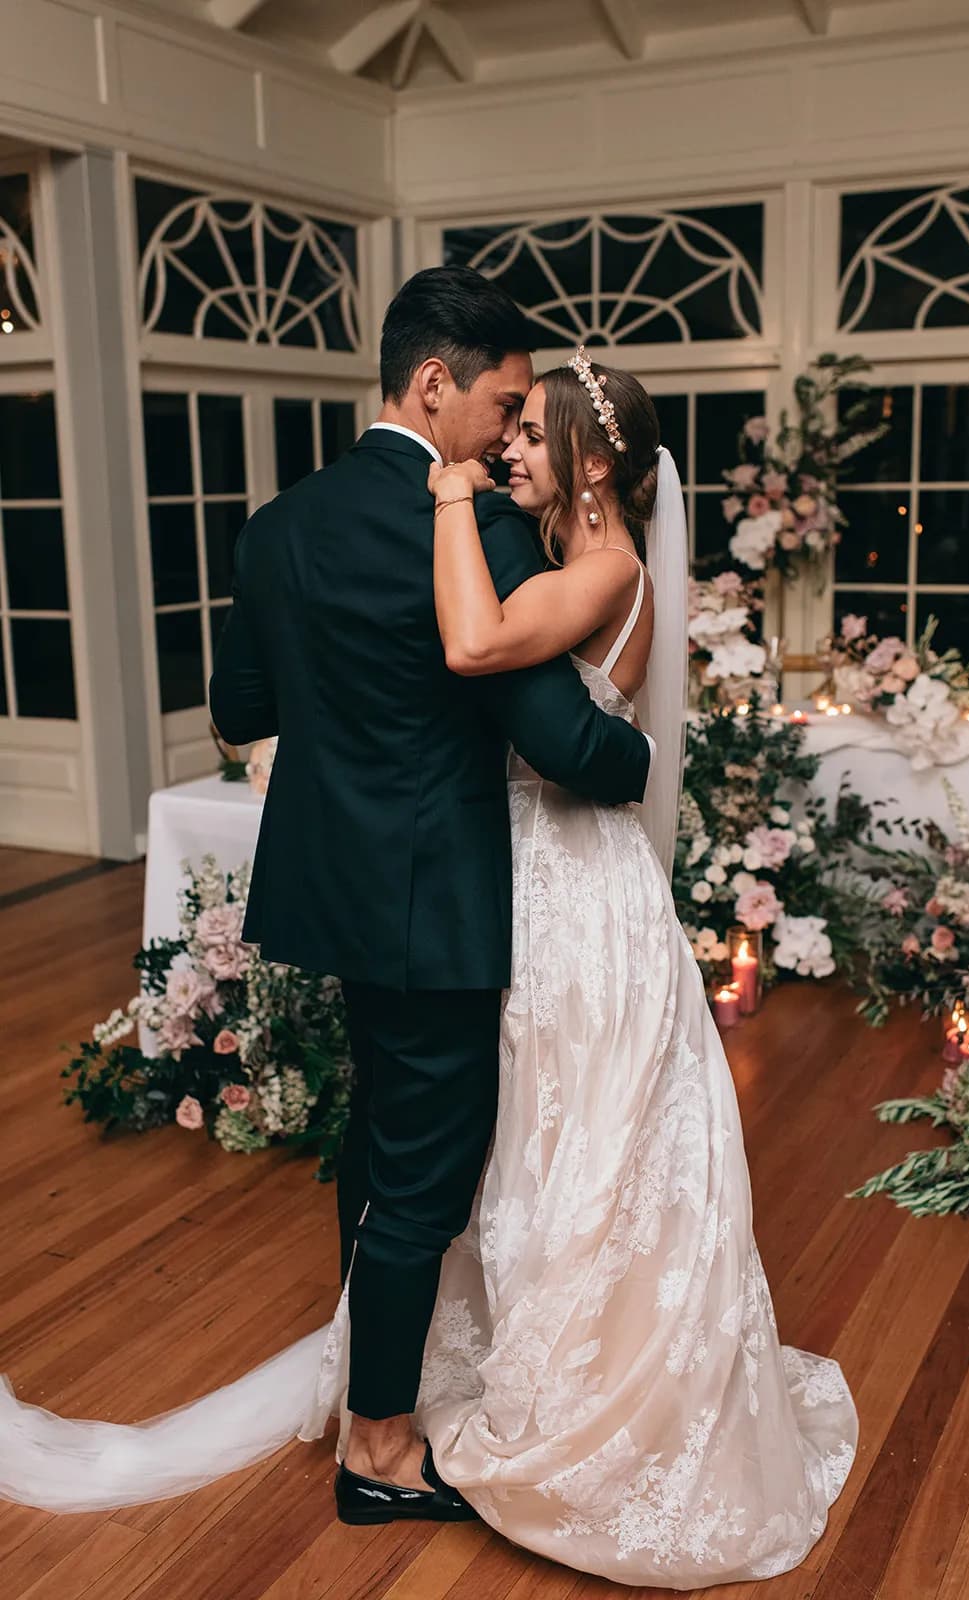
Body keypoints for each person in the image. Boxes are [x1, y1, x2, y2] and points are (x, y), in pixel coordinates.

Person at [0, 273, 651, 1521]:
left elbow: (243, 708)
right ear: (432, 385)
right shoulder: (474, 531)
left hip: (338, 894)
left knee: (378, 1137)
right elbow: (561, 738)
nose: (510, 432)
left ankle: (372, 1358)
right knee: (427, 1168)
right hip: (439, 899)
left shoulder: (278, 525)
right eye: (504, 402)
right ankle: (381, 1450)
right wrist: (637, 758)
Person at [347, 350, 855, 1585]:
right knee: (543, 1134)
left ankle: (584, 1406)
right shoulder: (579, 558)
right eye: (504, 426)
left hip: (566, 879)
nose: (507, 445)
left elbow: (479, 651)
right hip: (541, 867)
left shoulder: (608, 567)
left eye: (530, 432)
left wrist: (449, 497)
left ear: (588, 458)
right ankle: (537, 1352)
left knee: (584, 1137)